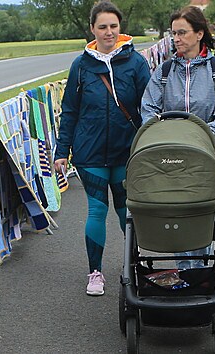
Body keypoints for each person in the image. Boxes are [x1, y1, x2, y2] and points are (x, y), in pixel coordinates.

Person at [54, 0, 150, 296]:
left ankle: (134, 265)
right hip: (89, 152)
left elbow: (149, 106)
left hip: (126, 150)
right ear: (92, 29)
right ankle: (95, 272)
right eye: (102, 27)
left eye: (113, 26)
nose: (109, 32)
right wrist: (61, 150)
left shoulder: (136, 62)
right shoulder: (81, 65)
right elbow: (69, 109)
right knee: (96, 209)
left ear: (120, 28)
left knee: (126, 210)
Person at [140, 6, 215, 269]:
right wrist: (158, 131)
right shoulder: (164, 71)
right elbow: (148, 107)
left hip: (203, 147)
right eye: (174, 34)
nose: (176, 39)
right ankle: (185, 270)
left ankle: (200, 271)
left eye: (182, 33)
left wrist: (214, 128)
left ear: (199, 34)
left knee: (200, 206)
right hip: (169, 149)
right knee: (174, 205)